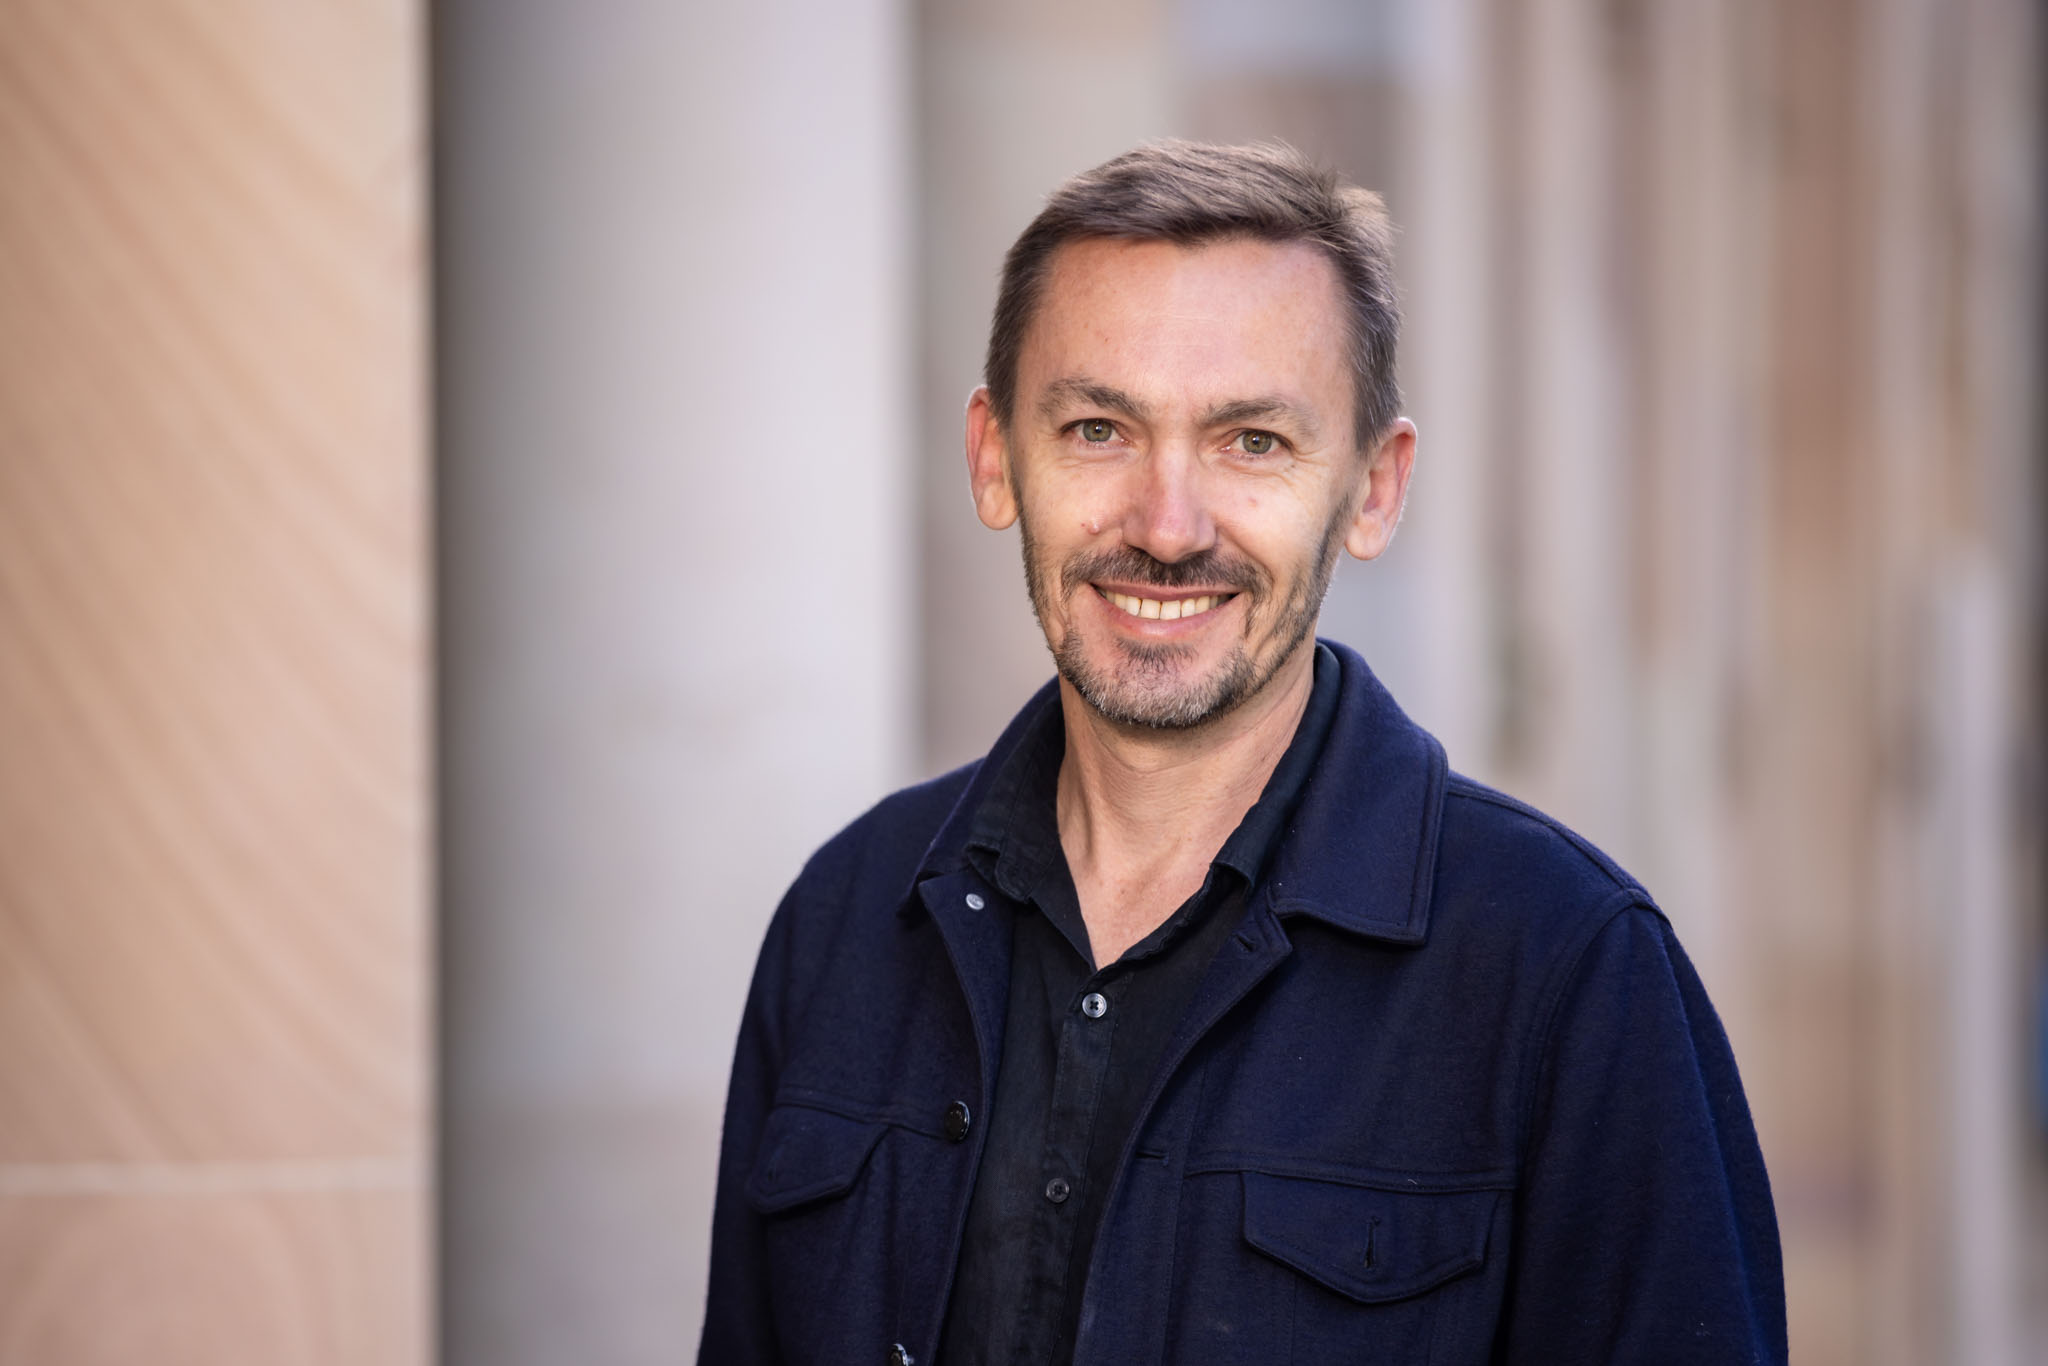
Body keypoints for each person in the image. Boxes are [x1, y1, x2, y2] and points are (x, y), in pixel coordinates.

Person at [698, 140, 1785, 1366]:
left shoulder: (1567, 972)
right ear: (995, 458)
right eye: (1098, 428)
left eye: (1250, 441)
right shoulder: (846, 917)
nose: (1166, 528)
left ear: (1372, 488)